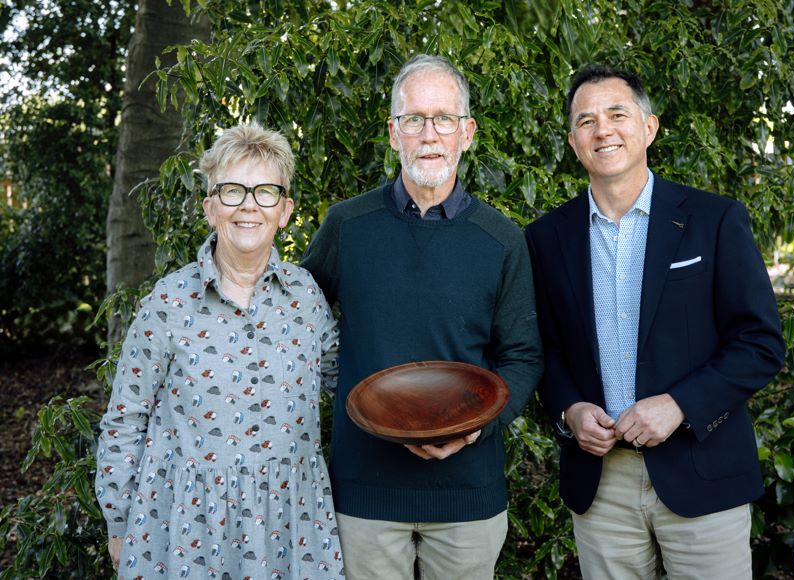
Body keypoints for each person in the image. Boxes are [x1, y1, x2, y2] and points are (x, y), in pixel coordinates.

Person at [524, 65, 785, 579]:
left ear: (650, 127)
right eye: (586, 121)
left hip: (702, 469)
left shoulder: (715, 220)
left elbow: (759, 343)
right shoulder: (545, 238)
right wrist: (571, 410)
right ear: (574, 141)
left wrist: (679, 405)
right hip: (601, 484)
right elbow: (545, 350)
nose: (603, 130)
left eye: (617, 114)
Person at [300, 54, 542, 580]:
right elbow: (293, 322)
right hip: (364, 492)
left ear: (467, 132)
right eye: (414, 119)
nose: (429, 134)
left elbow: (523, 356)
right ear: (393, 133)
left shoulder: (502, 240)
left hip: (468, 497)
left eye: (444, 119)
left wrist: (479, 429)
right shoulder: (348, 226)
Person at [96, 122, 344, 579]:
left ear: (285, 210)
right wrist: (118, 522)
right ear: (210, 208)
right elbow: (125, 417)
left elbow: (348, 385)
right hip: (183, 530)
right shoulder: (168, 304)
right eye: (232, 191)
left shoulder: (306, 299)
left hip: (290, 528)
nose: (249, 204)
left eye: (265, 191)